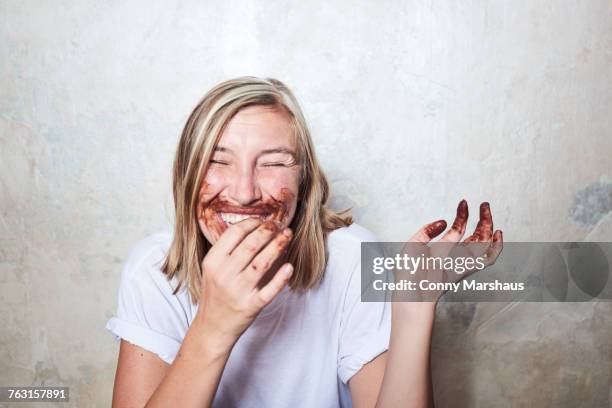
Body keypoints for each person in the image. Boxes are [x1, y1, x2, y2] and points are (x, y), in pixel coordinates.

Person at [106, 76, 502, 407]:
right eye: (218, 160)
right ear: (187, 175)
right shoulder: (154, 269)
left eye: (274, 162)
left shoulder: (353, 261)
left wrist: (414, 308)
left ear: (303, 182)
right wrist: (214, 324)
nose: (244, 193)